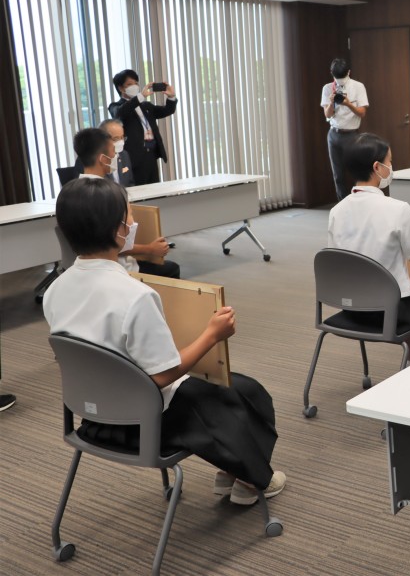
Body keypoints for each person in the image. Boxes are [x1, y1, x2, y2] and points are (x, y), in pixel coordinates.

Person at [43, 178, 285, 505]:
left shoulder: (56, 289)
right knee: (244, 391)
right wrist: (212, 335)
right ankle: (254, 477)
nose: (133, 224)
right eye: (129, 219)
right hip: (143, 422)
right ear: (118, 232)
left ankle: (236, 473)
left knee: (230, 391)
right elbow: (162, 375)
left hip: (91, 416)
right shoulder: (135, 295)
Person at [326, 133, 410, 361]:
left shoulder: (336, 211)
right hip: (385, 309)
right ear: (377, 167)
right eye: (389, 162)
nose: (392, 166)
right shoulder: (397, 209)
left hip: (349, 305)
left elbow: (338, 261)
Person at [72, 127, 181, 279]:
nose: (116, 155)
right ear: (103, 159)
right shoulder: (111, 195)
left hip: (86, 269)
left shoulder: (71, 192)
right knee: (171, 269)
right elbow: (114, 244)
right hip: (119, 269)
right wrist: (149, 249)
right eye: (113, 151)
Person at [108, 69, 177, 186]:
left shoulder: (146, 106)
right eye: (130, 84)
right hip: (134, 158)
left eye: (136, 83)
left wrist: (171, 97)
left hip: (151, 154)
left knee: (155, 189)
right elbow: (119, 113)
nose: (134, 86)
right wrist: (140, 96)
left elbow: (167, 110)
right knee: (139, 191)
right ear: (120, 88)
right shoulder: (116, 106)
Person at [321, 58, 369, 202]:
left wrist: (348, 104)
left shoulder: (358, 87)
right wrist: (331, 103)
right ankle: (343, 204)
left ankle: (359, 204)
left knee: (357, 172)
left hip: (352, 134)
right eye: (337, 78)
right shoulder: (327, 88)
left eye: (343, 78)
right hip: (334, 134)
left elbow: (362, 113)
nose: (341, 81)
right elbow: (327, 115)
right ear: (331, 73)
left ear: (349, 72)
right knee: (338, 175)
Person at [98, 119, 137, 187]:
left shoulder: (124, 155)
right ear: (102, 140)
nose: (121, 142)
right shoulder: (92, 159)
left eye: (122, 138)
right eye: (116, 139)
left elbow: (130, 183)